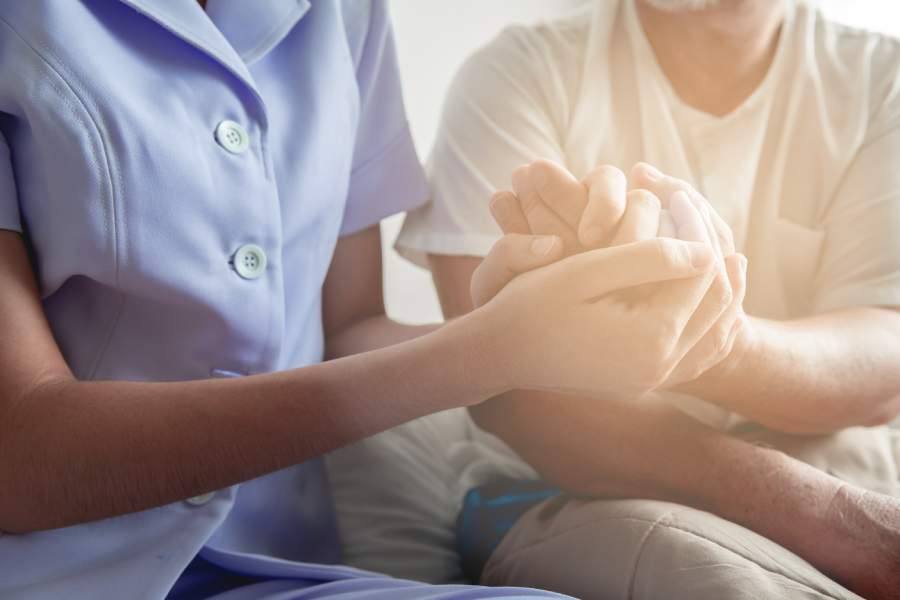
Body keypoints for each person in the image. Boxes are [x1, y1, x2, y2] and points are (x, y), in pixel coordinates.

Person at [0, 1, 741, 599]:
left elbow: (350, 327)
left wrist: (532, 317)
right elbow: (20, 456)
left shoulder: (342, 14)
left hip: (277, 564)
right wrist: (485, 352)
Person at [328, 0, 900, 598]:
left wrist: (718, 344)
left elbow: (882, 361)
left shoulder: (879, 77)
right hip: (574, 491)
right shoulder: (521, 73)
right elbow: (508, 393)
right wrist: (821, 513)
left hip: (845, 463)